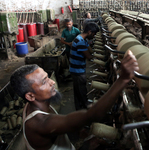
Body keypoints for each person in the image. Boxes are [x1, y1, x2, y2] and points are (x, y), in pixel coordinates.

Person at [10, 50, 139, 150]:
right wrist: (123, 79)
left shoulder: (33, 106)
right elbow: (92, 115)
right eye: (44, 82)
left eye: (48, 77)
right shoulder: (40, 123)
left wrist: (77, 132)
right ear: (30, 96)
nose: (52, 82)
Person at [69, 22, 98, 110]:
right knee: (81, 90)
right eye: (93, 34)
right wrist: (100, 58)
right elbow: (89, 56)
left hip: (76, 69)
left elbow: (90, 50)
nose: (94, 36)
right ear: (89, 32)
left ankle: (79, 107)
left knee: (78, 90)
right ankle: (85, 108)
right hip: (77, 70)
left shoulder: (81, 39)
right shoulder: (80, 42)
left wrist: (90, 45)